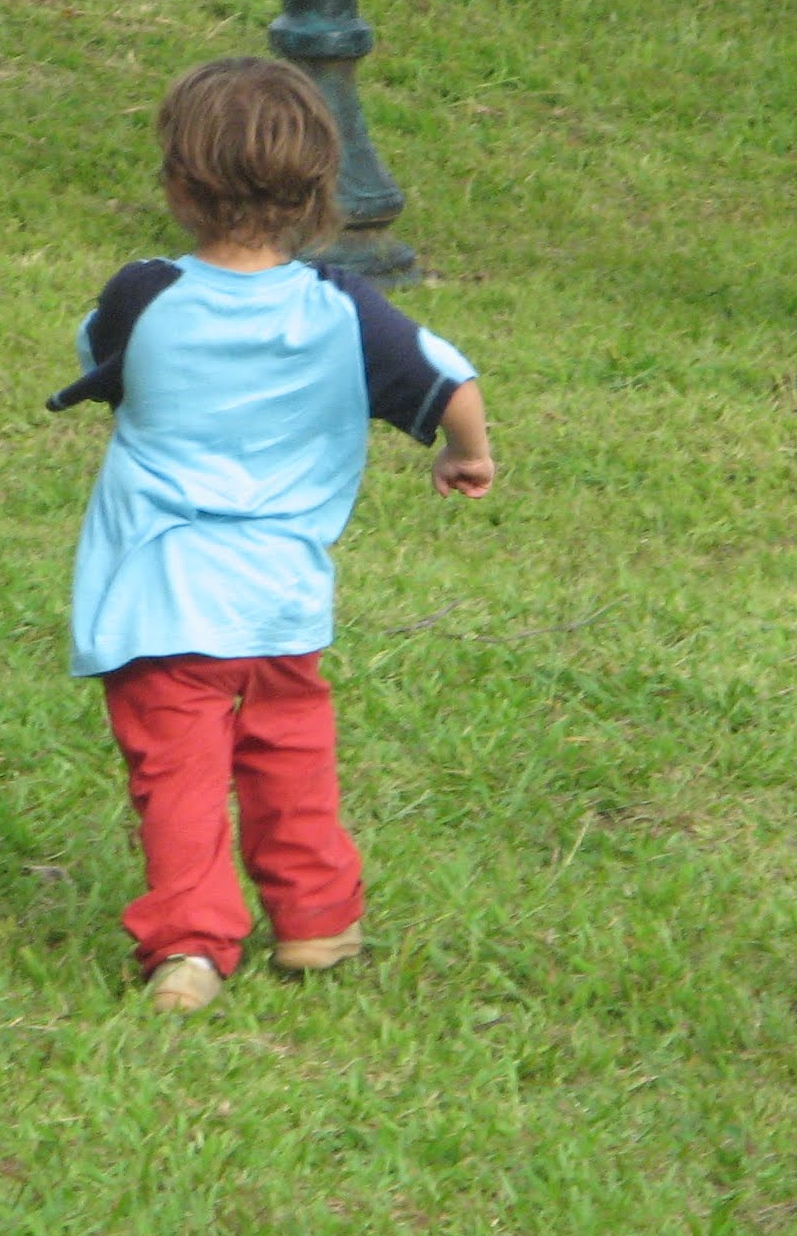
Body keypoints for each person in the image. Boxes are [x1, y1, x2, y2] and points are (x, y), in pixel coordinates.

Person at [49, 59, 496, 1013]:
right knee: (290, 757)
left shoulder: (144, 294)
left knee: (179, 776)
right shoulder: (346, 311)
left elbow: (97, 358)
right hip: (283, 599)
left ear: (177, 184)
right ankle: (317, 925)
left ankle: (191, 948)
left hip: (159, 599)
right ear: (321, 190)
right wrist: (466, 455)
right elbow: (450, 381)